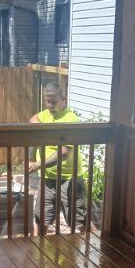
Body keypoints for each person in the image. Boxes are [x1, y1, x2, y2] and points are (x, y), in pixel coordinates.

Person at [28, 82, 86, 232]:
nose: (50, 105)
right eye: (47, 101)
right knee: (40, 220)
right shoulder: (46, 114)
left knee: (79, 224)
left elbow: (64, 152)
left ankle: (94, 243)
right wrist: (31, 157)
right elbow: (33, 120)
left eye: (53, 101)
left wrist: (37, 164)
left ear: (63, 99)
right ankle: (38, 248)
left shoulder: (70, 119)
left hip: (69, 179)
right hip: (47, 179)